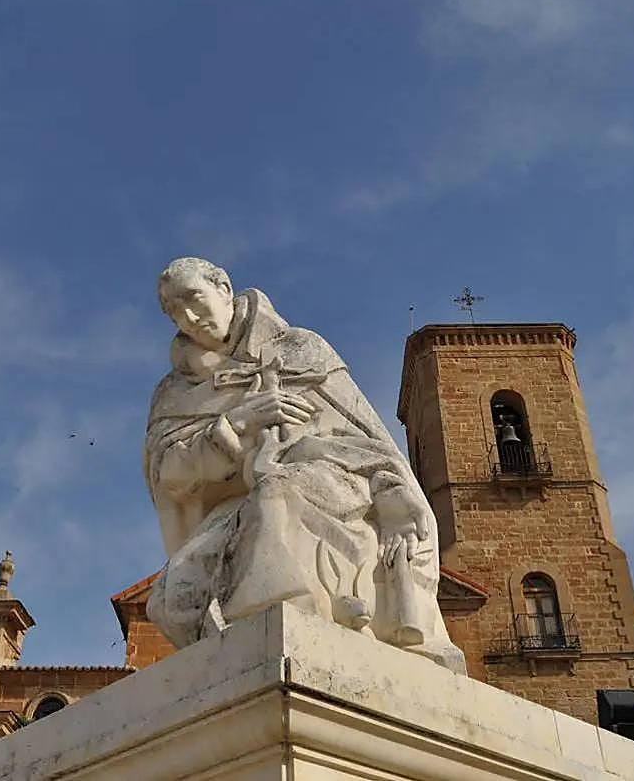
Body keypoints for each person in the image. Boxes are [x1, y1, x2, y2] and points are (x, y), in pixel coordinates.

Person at [144, 257, 465, 673]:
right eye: (173, 311)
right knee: (174, 593)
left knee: (278, 496)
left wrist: (393, 493)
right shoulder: (175, 393)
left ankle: (276, 626)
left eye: (193, 298)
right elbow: (168, 473)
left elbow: (369, 439)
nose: (187, 316)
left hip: (336, 479)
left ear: (223, 287)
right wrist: (236, 424)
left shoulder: (301, 350)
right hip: (236, 502)